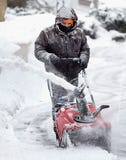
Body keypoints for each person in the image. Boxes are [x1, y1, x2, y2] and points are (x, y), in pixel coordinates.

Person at [34, 7, 90, 138]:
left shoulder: (79, 34)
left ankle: (75, 126)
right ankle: (59, 129)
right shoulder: (46, 33)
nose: (66, 24)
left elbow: (85, 49)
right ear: (58, 20)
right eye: (64, 21)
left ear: (73, 21)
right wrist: (50, 57)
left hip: (73, 71)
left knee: (72, 101)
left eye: (69, 21)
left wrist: (83, 59)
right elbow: (38, 50)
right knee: (59, 103)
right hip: (55, 74)